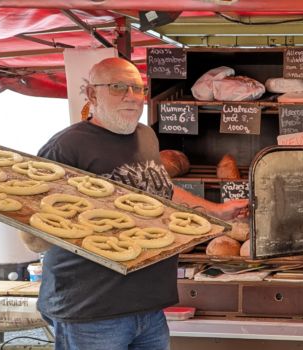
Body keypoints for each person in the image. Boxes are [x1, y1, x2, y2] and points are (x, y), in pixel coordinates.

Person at [18, 57, 248, 350]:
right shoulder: (66, 147)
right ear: (91, 94)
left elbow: (159, 190)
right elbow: (32, 232)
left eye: (138, 89)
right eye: (118, 87)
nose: (131, 97)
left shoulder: (145, 136)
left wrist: (216, 210)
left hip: (148, 305)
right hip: (92, 309)